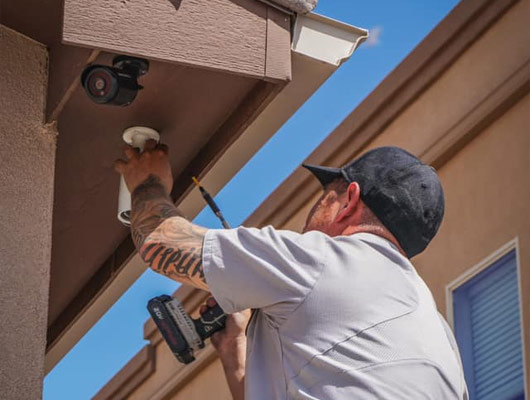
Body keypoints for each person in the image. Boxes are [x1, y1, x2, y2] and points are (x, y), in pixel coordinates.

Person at [115, 144, 468, 400]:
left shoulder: (324, 260)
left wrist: (147, 182)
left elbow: (160, 241)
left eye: (325, 194)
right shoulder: (438, 332)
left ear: (349, 200)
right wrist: (236, 351)